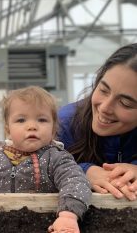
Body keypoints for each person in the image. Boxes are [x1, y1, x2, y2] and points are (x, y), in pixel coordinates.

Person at [0, 86, 91, 233]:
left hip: (45, 228)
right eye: (21, 120)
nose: (32, 126)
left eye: (42, 120)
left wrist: (68, 216)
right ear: (8, 129)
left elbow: (76, 182)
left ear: (54, 129)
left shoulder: (57, 158)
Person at [58, 43, 137, 201]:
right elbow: (24, 169)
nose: (105, 107)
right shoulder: (63, 124)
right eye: (103, 90)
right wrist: (81, 171)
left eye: (125, 103)